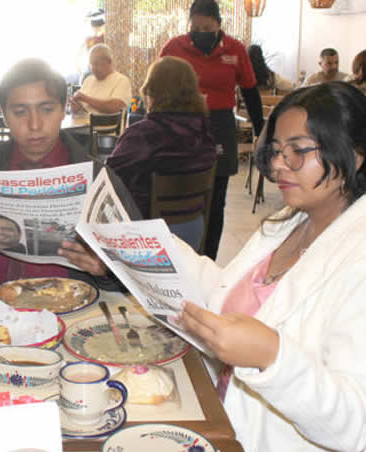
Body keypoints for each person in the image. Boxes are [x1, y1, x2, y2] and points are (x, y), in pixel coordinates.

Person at [177, 82, 366, 452]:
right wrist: (152, 253)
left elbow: (357, 418)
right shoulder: (295, 222)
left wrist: (271, 357)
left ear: (355, 153)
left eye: (299, 150)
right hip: (240, 439)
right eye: (276, 150)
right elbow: (231, 293)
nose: (279, 165)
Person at [0, 58, 142, 286]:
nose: (35, 125)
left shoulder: (98, 178)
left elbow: (140, 271)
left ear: (63, 109)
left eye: (47, 109)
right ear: (4, 114)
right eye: (20, 112)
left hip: (78, 311)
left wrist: (106, 269)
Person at [158, 0, 264, 260]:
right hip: (181, 123)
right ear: (189, 24)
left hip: (219, 125)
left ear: (219, 25)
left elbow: (250, 91)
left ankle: (209, 260)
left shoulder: (235, 50)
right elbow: (158, 84)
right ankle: (179, 257)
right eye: (196, 27)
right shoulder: (175, 47)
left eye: (208, 27)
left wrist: (261, 129)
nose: (201, 32)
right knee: (181, 192)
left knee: (216, 199)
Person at [106, 56, 216, 251]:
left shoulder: (144, 134)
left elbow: (109, 180)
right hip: (192, 234)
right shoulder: (204, 134)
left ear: (151, 92)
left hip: (147, 237)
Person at [70, 44, 132, 115]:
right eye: (91, 64)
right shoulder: (88, 80)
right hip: (82, 124)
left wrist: (85, 98)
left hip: (107, 125)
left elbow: (114, 107)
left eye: (96, 64)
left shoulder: (122, 80)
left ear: (109, 62)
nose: (93, 69)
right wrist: (76, 107)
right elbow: (84, 108)